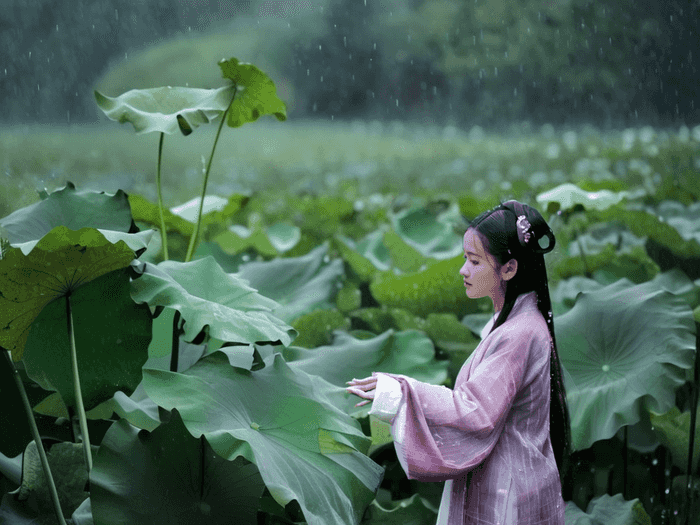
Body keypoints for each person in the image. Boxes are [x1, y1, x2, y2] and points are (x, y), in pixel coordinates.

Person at [346, 200, 571, 524]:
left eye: (474, 261)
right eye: (465, 258)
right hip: (518, 478)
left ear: (509, 268)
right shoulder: (514, 322)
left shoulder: (518, 334)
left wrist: (400, 392)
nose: (463, 270)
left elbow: (476, 411)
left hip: (508, 494)